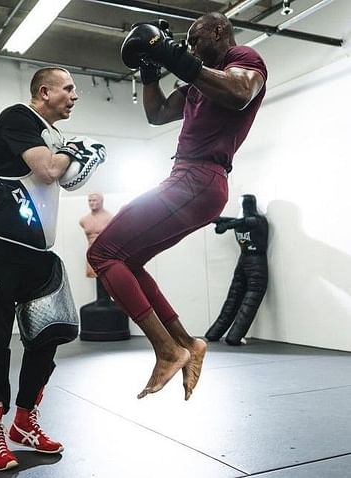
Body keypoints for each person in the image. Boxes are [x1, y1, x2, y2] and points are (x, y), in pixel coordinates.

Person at [87, 13, 267, 401]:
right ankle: (188, 343)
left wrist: (169, 53)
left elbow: (239, 92)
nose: (190, 46)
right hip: (190, 180)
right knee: (126, 263)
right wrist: (151, 72)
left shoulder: (244, 57)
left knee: (102, 253)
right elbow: (157, 115)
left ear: (219, 31)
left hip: (198, 179)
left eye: (195, 38)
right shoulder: (198, 84)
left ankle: (167, 349)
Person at [0, 67, 105, 471]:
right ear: (44, 91)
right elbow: (49, 171)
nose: (75, 96)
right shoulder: (18, 117)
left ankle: (25, 419)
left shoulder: (53, 134)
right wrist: (78, 151)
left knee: (51, 331)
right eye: (69, 88)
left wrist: (72, 149)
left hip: (36, 249)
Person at [206, 194, 269, 345]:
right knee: (239, 300)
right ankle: (221, 335)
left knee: (242, 300)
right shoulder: (244, 222)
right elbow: (238, 221)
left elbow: (247, 221)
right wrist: (219, 220)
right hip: (249, 260)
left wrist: (225, 225)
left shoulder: (255, 221)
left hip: (251, 261)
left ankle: (229, 336)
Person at [79, 192, 113, 301]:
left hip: (105, 254)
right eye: (90, 200)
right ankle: (101, 301)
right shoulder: (83, 220)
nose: (92, 203)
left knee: (106, 278)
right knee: (96, 277)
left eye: (94, 200)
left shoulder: (109, 218)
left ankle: (106, 300)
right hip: (91, 252)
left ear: (101, 201)